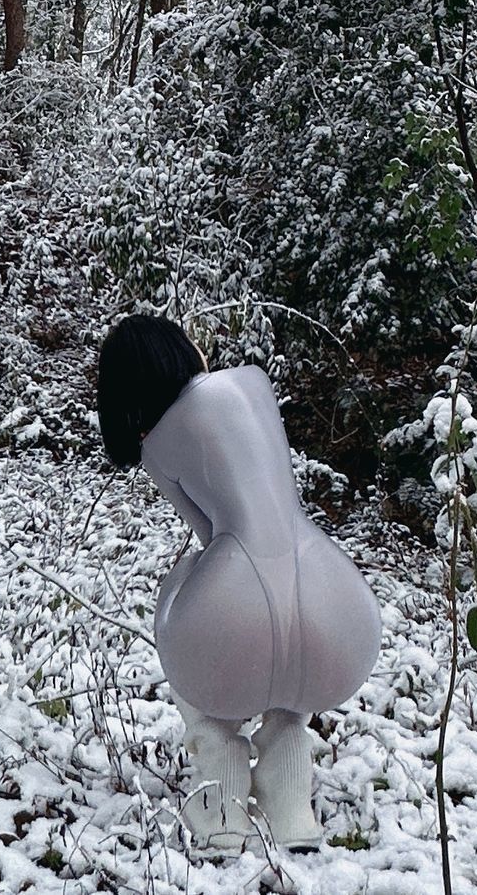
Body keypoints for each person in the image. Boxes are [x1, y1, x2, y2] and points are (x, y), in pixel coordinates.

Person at [96, 314, 381, 854]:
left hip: (241, 594)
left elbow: (212, 536)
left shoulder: (157, 447)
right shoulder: (254, 383)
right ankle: (291, 804)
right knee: (290, 675)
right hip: (335, 593)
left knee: (182, 610)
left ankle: (222, 803)